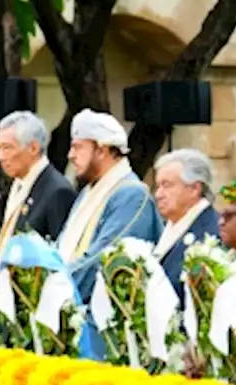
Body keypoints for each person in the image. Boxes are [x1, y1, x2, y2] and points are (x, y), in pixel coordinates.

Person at [56, 109, 161, 303]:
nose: (70, 155)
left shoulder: (132, 195)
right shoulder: (88, 192)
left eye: (78, 147)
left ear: (102, 151)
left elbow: (104, 256)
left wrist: (54, 286)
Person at [0, 111, 76, 268]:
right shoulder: (17, 184)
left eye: (7, 148)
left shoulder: (57, 191)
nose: (0, 156)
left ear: (33, 148)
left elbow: (61, 258)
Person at [151, 148, 219, 300]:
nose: (158, 194)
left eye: (167, 185)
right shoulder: (166, 226)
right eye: (158, 186)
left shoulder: (212, 233)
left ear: (194, 189)